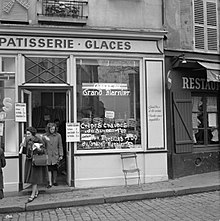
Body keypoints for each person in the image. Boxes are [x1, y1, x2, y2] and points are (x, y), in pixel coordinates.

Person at [20, 127, 48, 203]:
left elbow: (44, 150)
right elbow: (26, 152)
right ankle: (36, 192)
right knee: (32, 177)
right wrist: (23, 147)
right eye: (26, 134)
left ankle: (32, 195)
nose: (27, 135)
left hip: (36, 161)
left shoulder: (39, 140)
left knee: (34, 178)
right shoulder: (27, 140)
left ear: (32, 134)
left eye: (29, 134)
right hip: (29, 160)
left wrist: (39, 149)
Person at [42, 123, 63, 188]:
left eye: (53, 129)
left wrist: (61, 154)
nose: (52, 130)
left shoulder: (58, 135)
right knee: (49, 169)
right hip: (48, 154)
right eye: (51, 129)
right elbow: (43, 146)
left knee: (55, 169)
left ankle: (54, 181)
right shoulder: (45, 136)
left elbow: (60, 145)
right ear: (48, 129)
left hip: (55, 154)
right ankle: (50, 182)